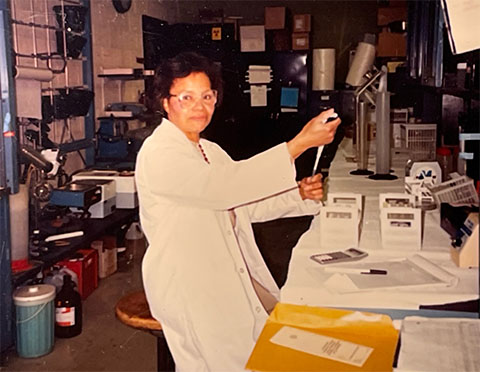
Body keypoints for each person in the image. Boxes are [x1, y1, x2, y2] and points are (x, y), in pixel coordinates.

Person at [135, 52, 341, 371]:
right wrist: (298, 144)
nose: (199, 107)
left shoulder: (209, 150)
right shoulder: (159, 153)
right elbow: (223, 189)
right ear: (165, 102)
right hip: (191, 283)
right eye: (186, 97)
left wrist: (298, 195)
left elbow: (242, 203)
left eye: (207, 96)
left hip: (226, 271)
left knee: (256, 350)